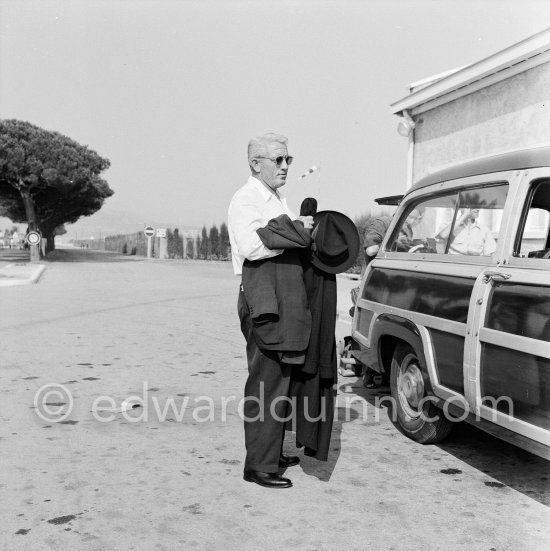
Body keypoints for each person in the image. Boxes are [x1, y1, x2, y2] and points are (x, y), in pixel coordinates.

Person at [228, 133, 314, 489]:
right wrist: (297, 230)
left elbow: (287, 239)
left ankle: (272, 453)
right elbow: (250, 245)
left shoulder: (277, 198)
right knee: (266, 384)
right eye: (277, 160)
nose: (284, 167)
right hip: (264, 298)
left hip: (283, 297)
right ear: (255, 164)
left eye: (288, 160)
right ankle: (258, 466)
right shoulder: (246, 198)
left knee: (282, 381)